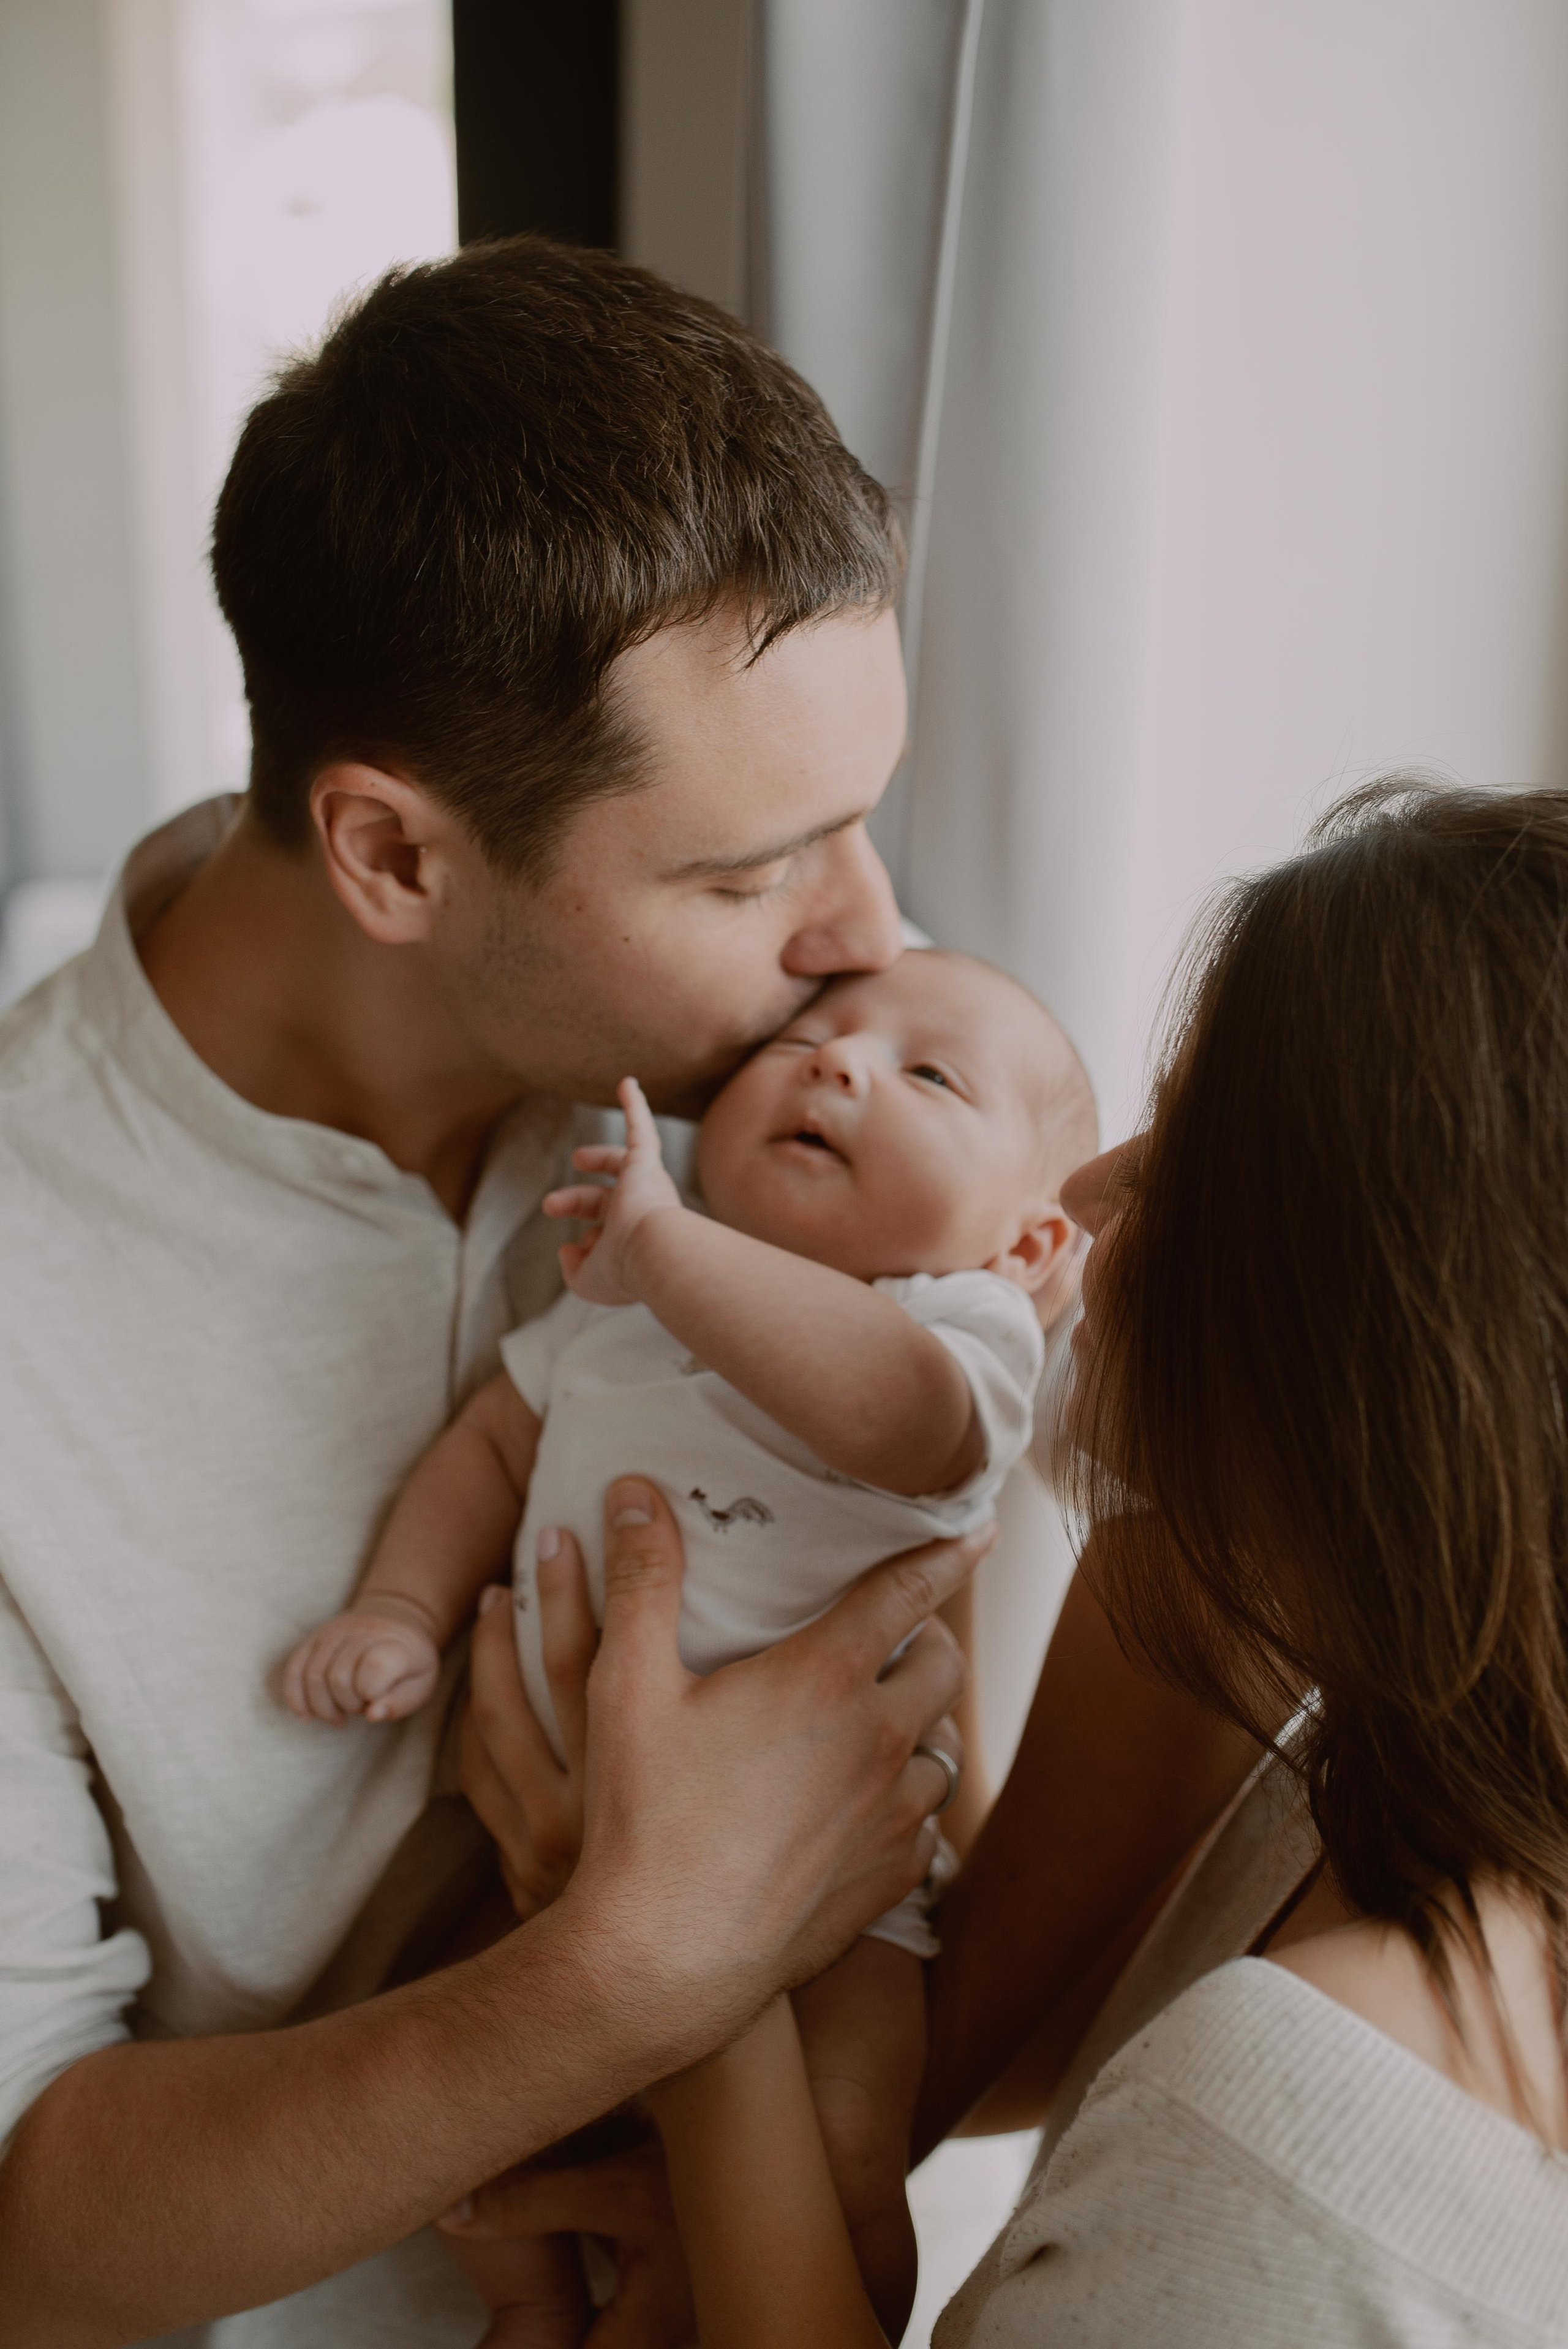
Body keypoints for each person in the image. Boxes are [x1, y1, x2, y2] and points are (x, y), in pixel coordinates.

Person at [0, 235, 982, 2347]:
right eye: (746, 873)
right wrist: (644, 1955)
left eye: (859, 824)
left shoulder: (809, 1097)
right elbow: (24, 2229)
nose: (867, 936)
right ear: (393, 857)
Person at [449, 781, 1568, 2346]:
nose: (1087, 1203)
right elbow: (1015, 2021)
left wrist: (664, 1962)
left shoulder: (1291, 2157)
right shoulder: (1368, 1724)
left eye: (1180, 1152)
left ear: (1370, 1360)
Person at [283, 948, 1095, 2342]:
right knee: (431, 2090)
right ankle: (536, 2307)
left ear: (1020, 1249)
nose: (836, 1064)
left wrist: (669, 1253)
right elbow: (492, 1440)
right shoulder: (617, 1296)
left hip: (831, 1910)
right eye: (811, 1039)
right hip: (560, 1855)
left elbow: (901, 1421)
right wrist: (401, 1609)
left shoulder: (952, 1331)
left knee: (845, 2159)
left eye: (924, 1075)